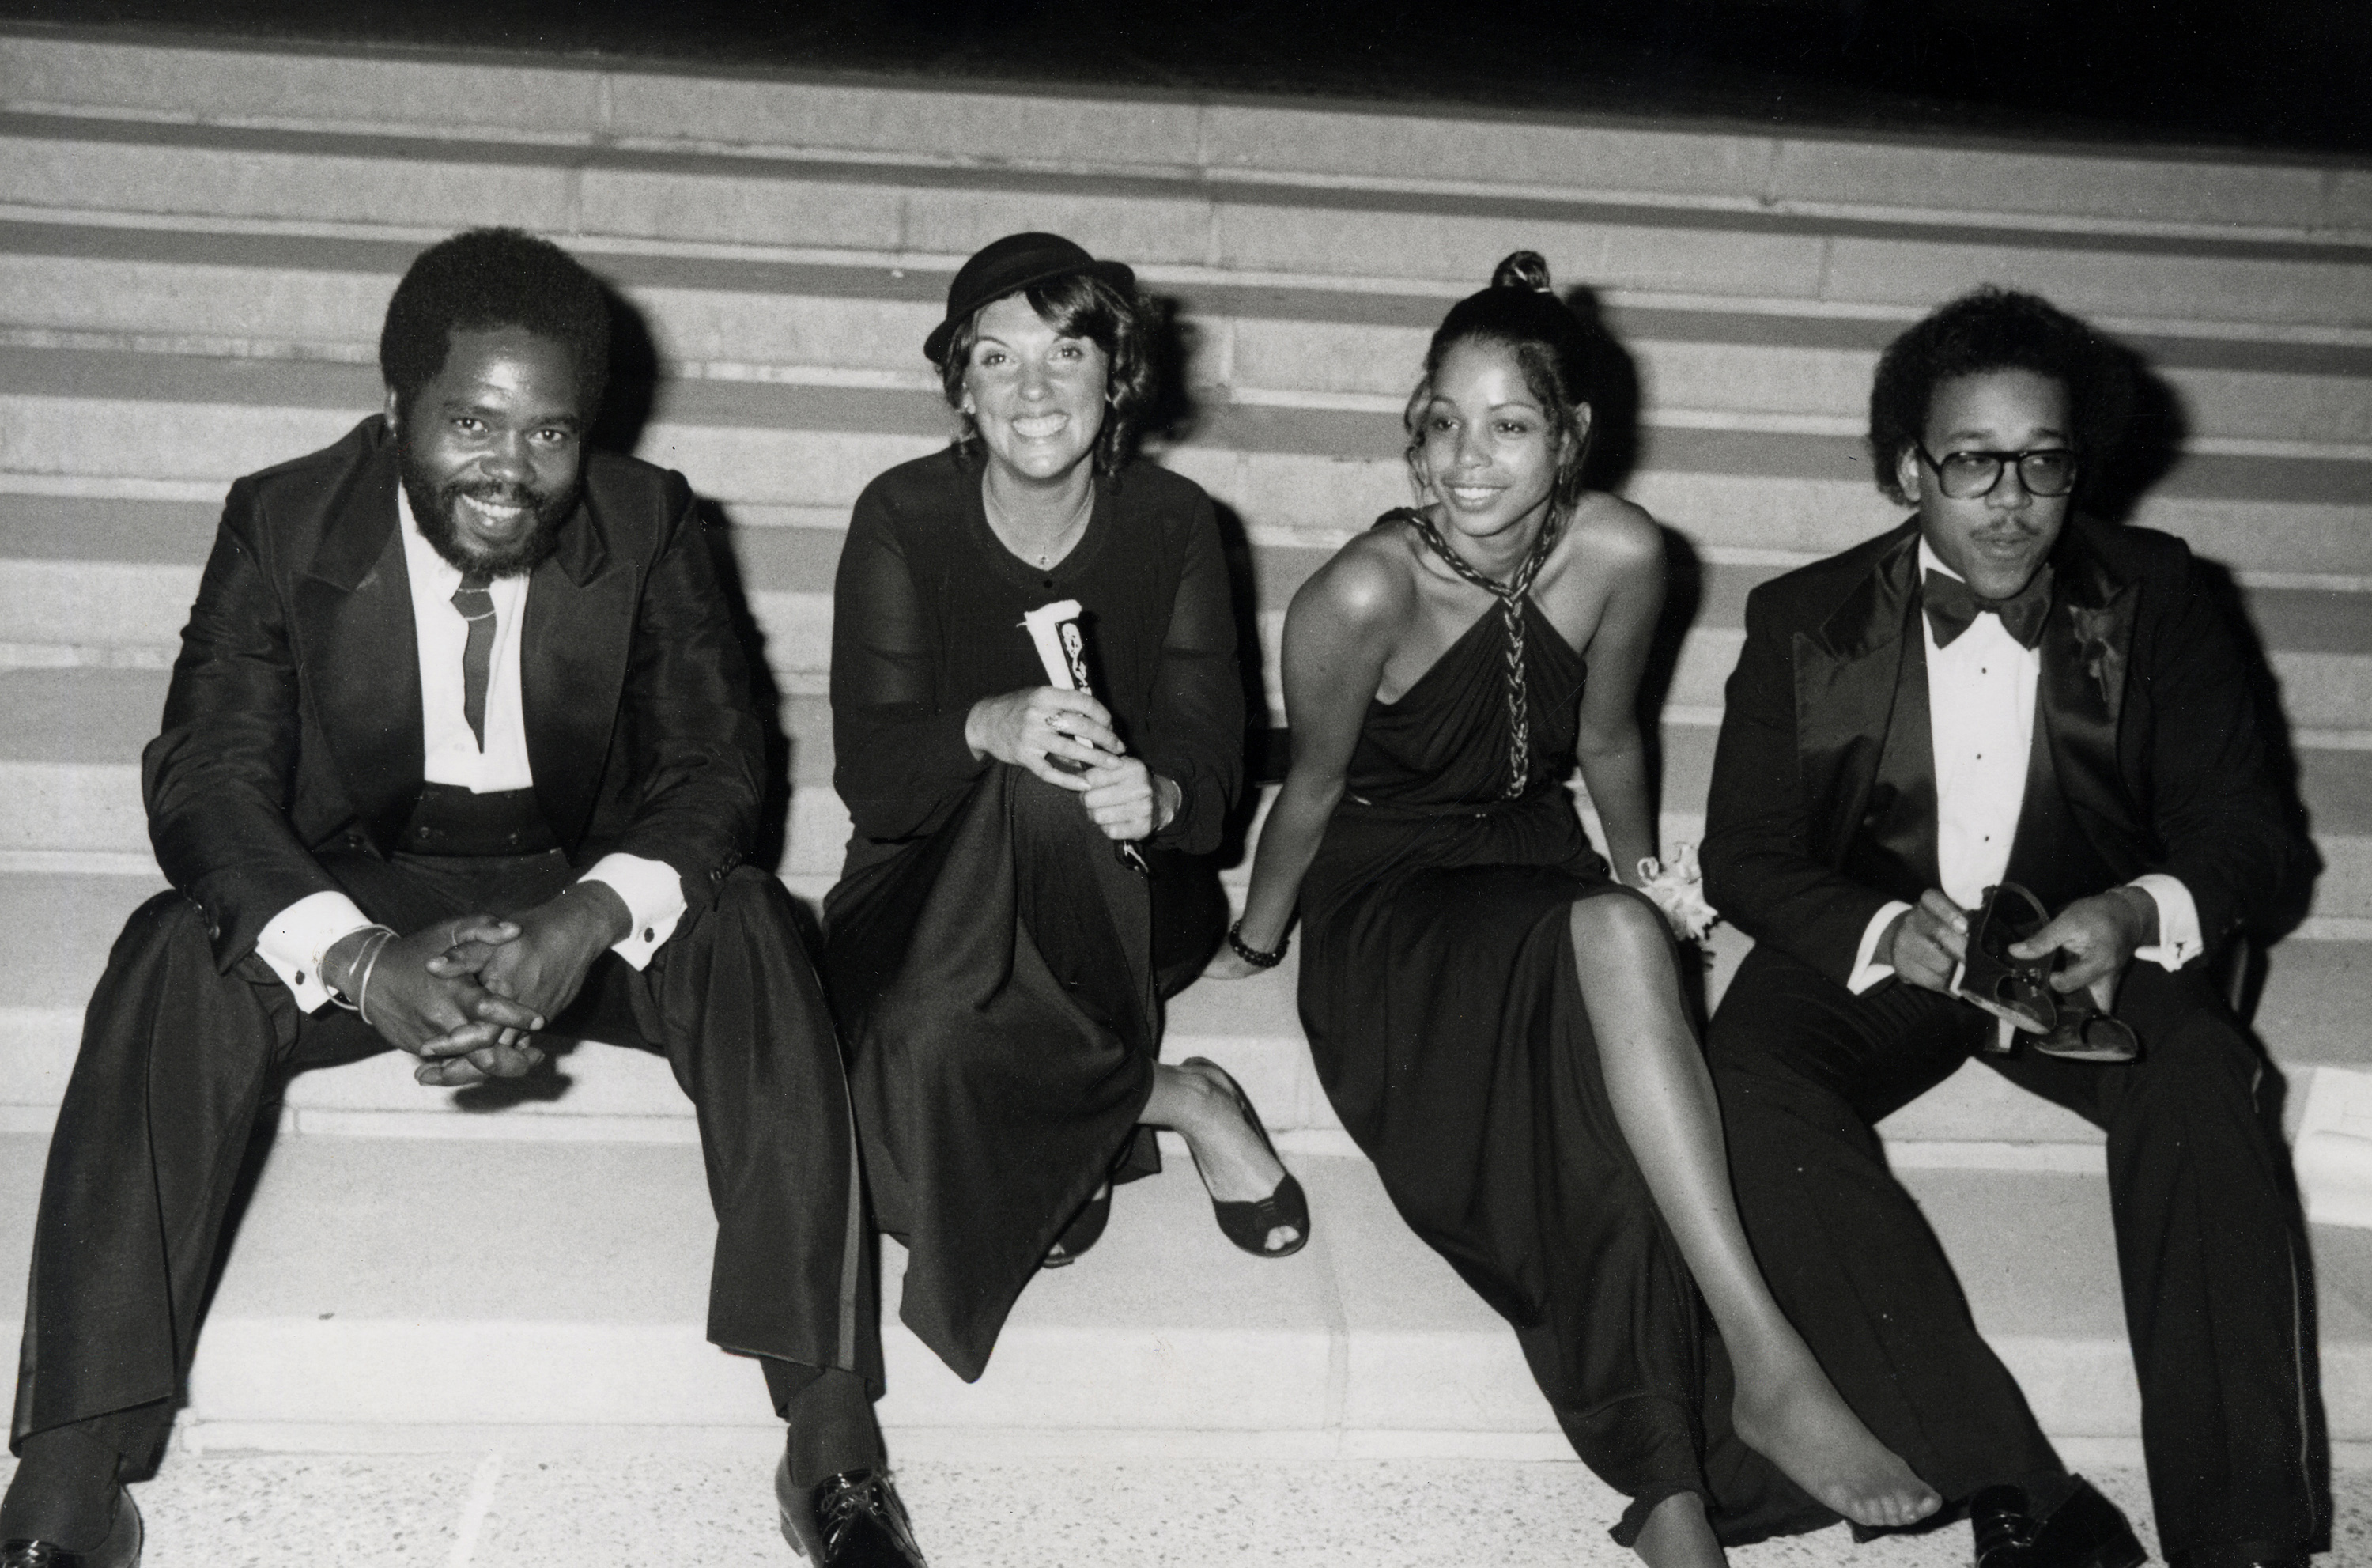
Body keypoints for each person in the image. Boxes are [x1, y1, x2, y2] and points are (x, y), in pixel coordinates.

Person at [0, 230, 926, 1568]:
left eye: (550, 432)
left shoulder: (651, 519)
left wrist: (583, 925)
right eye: (471, 423)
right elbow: (204, 784)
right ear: (395, 416)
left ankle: (833, 1446)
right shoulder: (282, 518)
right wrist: (367, 961)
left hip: (571, 878)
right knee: (169, 952)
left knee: (755, 931)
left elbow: (718, 775)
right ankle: (70, 1473)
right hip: (363, 880)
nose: (511, 470)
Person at [1206, 251, 1939, 1565]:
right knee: (1599, 1008)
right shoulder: (1361, 592)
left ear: (1573, 437)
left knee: (1611, 993)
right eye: (1441, 423)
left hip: (1535, 863)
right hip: (1390, 901)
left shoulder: (1620, 553)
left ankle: (1672, 1497)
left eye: (1509, 425)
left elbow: (1606, 744)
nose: (1466, 463)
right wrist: (1256, 939)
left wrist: (1648, 887)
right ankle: (1761, 1372)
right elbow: (1310, 797)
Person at [1702, 285, 2323, 1568]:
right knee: (1747, 1076)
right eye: (1971, 461)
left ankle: (2245, 1540)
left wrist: (2133, 911)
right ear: (1904, 470)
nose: (2011, 500)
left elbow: (2252, 838)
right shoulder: (1801, 618)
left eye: (2044, 463)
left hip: (2077, 943)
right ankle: (2022, 1501)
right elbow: (1744, 856)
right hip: (1897, 938)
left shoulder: (2158, 594)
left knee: (2208, 1077)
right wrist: (1880, 930)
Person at [822, 231, 1298, 1385]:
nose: (1033, 389)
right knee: (870, 1082)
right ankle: (1167, 1099)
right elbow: (874, 780)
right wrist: (985, 726)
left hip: (1123, 896)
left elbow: (1212, 763)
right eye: (996, 359)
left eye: (1066, 352)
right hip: (930, 892)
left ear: (1114, 375)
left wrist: (1164, 788)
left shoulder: (1178, 523)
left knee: (1053, 806)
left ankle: (1070, 1129)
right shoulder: (902, 515)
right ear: (962, 389)